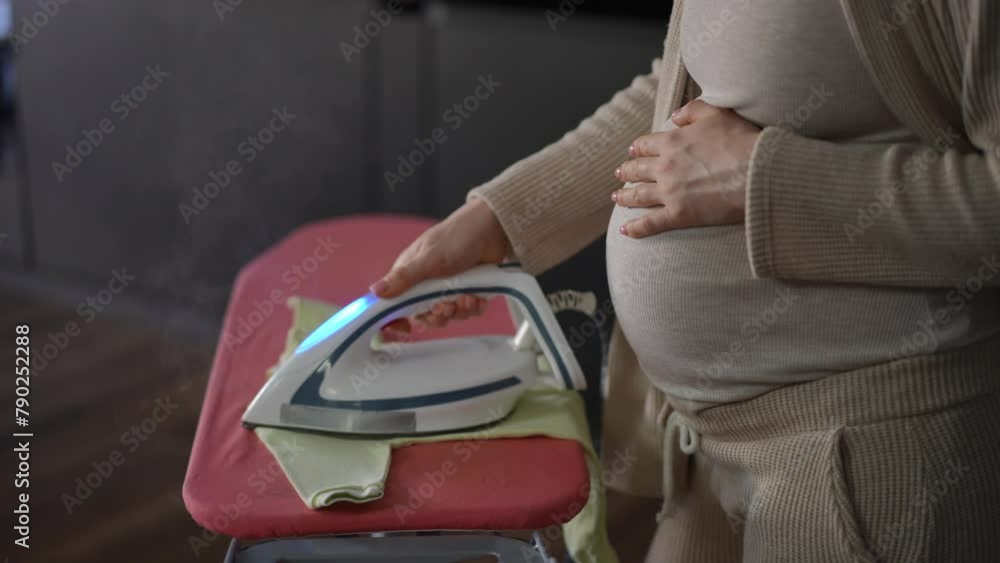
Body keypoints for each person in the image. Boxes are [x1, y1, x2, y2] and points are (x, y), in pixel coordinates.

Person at [372, 1, 1000, 561]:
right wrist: (501, 219)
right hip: (703, 451)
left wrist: (764, 181)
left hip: (864, 470)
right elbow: (685, 97)